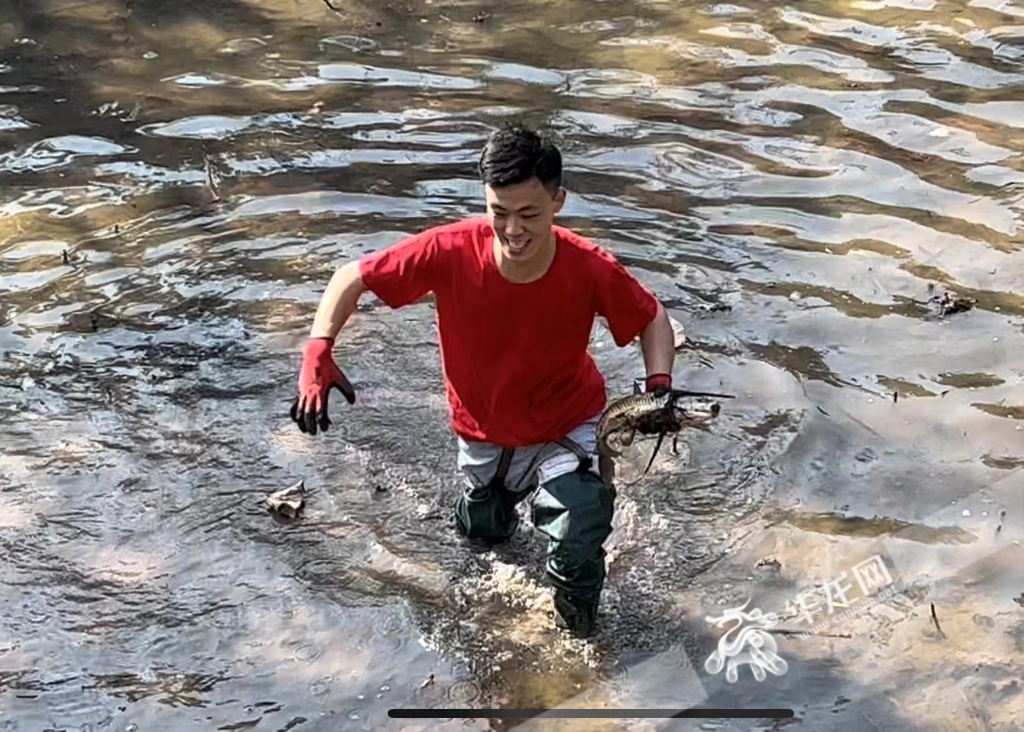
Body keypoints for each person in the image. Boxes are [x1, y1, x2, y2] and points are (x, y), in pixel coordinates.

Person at [289, 123, 677, 638]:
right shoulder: (449, 250)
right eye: (499, 213)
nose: (513, 230)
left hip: (568, 421)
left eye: (529, 214)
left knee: (579, 526)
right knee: (483, 534)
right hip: (483, 432)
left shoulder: (588, 267)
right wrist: (319, 347)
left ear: (558, 201)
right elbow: (351, 277)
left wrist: (658, 385)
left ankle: (580, 636)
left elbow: (652, 318)